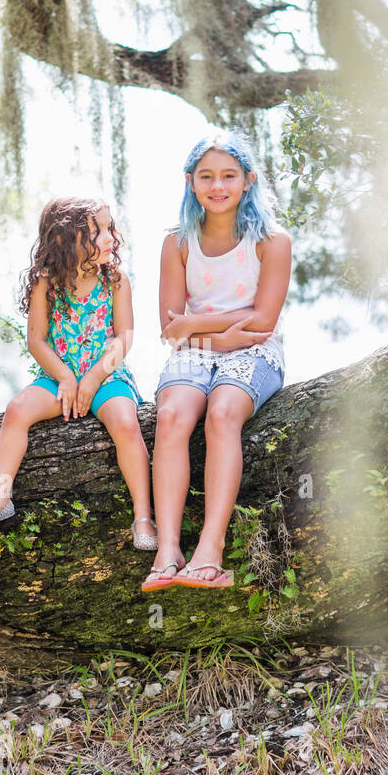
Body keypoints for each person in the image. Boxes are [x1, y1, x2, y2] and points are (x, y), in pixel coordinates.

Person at [0, 197, 158, 551]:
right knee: (17, 411)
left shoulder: (115, 279)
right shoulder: (46, 281)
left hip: (107, 377)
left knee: (126, 424)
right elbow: (36, 341)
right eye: (97, 231)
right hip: (57, 378)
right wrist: (66, 378)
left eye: (109, 227)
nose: (110, 237)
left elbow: (124, 338)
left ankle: (143, 515)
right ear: (65, 241)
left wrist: (95, 377)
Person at [143, 131, 291, 591]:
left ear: (248, 180)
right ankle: (168, 551)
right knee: (171, 416)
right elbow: (171, 327)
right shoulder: (177, 243)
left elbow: (263, 321)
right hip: (197, 353)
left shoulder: (272, 241)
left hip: (255, 353)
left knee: (222, 413)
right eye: (206, 176)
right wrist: (214, 333)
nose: (217, 185)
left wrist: (197, 326)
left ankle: (211, 551)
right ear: (190, 182)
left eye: (228, 175)